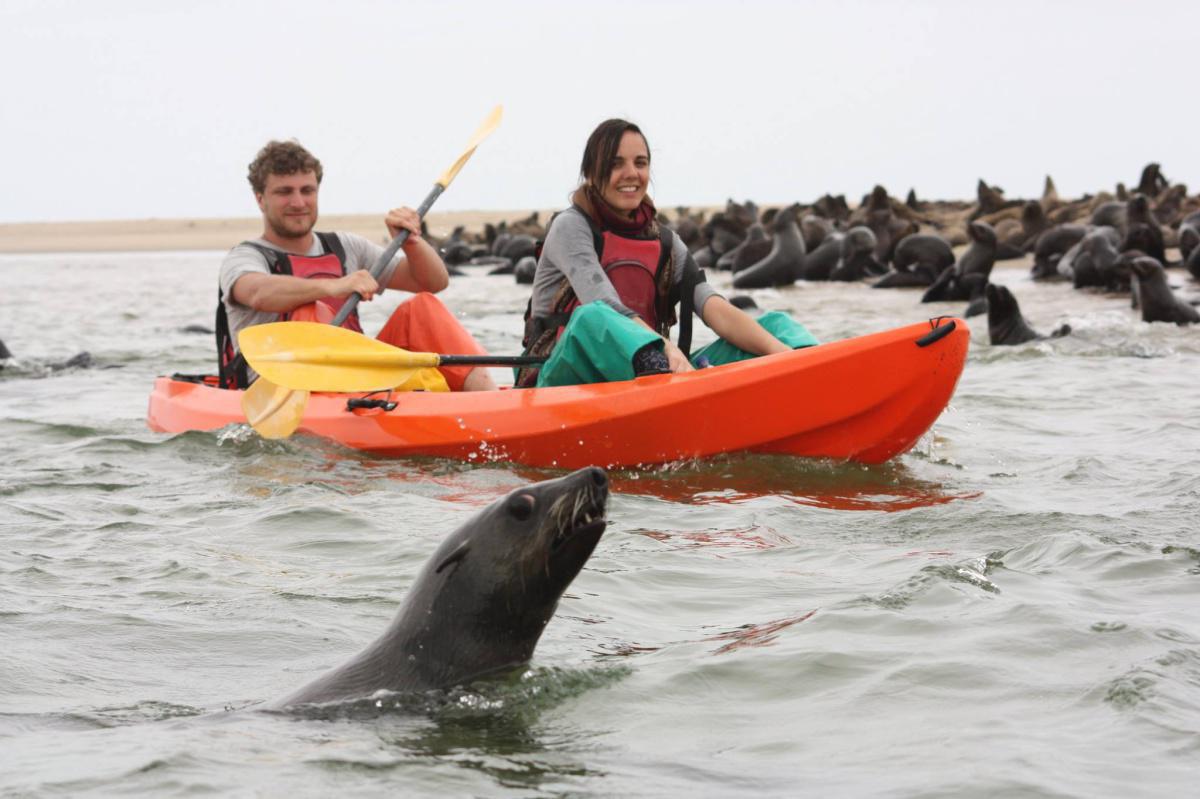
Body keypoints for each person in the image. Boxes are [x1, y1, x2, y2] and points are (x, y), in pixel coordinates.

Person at [517, 119, 816, 388]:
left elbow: (715, 309)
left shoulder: (665, 243)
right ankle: (660, 371)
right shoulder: (571, 226)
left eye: (641, 162)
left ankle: (812, 375)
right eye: (616, 163)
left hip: (648, 376)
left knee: (778, 327)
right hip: (554, 380)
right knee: (594, 316)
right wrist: (664, 348)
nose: (631, 173)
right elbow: (602, 303)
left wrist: (787, 358)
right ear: (591, 172)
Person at [216, 139, 496, 391]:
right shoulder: (244, 257)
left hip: (356, 381)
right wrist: (332, 285)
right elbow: (258, 293)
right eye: (284, 192)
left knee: (422, 308)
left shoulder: (344, 246)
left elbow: (433, 282)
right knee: (309, 312)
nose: (298, 202)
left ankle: (488, 403)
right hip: (281, 390)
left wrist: (412, 241)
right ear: (260, 199)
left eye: (307, 190)